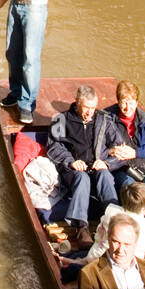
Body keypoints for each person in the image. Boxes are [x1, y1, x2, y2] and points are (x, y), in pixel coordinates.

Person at [45, 85, 122, 246]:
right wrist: (70, 161)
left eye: (93, 108)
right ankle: (81, 227)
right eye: (86, 107)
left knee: (105, 175)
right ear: (77, 103)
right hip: (73, 170)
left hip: (97, 167)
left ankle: (114, 221)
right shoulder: (60, 119)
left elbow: (120, 147)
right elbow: (53, 147)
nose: (89, 112)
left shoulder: (104, 120)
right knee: (82, 178)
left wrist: (106, 163)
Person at [103, 81, 145, 222]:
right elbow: (97, 144)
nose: (127, 107)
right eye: (124, 102)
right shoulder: (106, 119)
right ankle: (132, 227)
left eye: (131, 102)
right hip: (122, 167)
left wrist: (136, 153)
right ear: (118, 101)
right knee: (129, 188)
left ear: (137, 102)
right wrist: (111, 150)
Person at [66, 181, 145, 267]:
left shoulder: (111, 212)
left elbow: (98, 236)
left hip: (95, 258)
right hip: (123, 267)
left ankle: (80, 262)